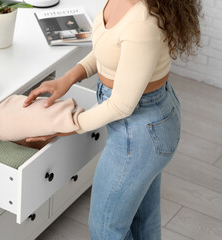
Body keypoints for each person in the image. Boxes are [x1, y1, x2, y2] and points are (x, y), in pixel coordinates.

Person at [23, 0, 202, 239]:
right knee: (143, 220)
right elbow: (108, 48)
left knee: (106, 228)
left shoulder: (143, 21)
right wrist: (68, 78)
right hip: (150, 122)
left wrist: (67, 126)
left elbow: (121, 105)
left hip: (141, 132)